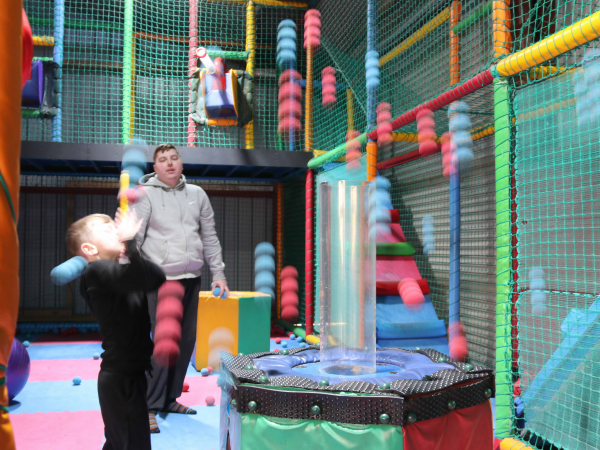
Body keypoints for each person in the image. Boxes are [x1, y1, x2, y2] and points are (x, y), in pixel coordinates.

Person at [132, 143, 229, 433]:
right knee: (164, 344)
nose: (170, 163)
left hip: (192, 277)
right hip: (161, 279)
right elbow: (135, 237)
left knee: (185, 342)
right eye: (163, 160)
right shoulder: (145, 194)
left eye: (174, 158)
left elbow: (209, 236)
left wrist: (218, 273)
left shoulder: (197, 194)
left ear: (182, 163)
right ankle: (149, 406)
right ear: (155, 168)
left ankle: (168, 399)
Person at [68, 210, 166, 450]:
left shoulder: (119, 273)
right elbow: (138, 278)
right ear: (89, 249)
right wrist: (129, 242)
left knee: (121, 443)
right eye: (108, 230)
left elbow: (156, 277)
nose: (116, 232)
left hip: (132, 375)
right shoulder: (95, 272)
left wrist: (131, 248)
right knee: (130, 444)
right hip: (120, 378)